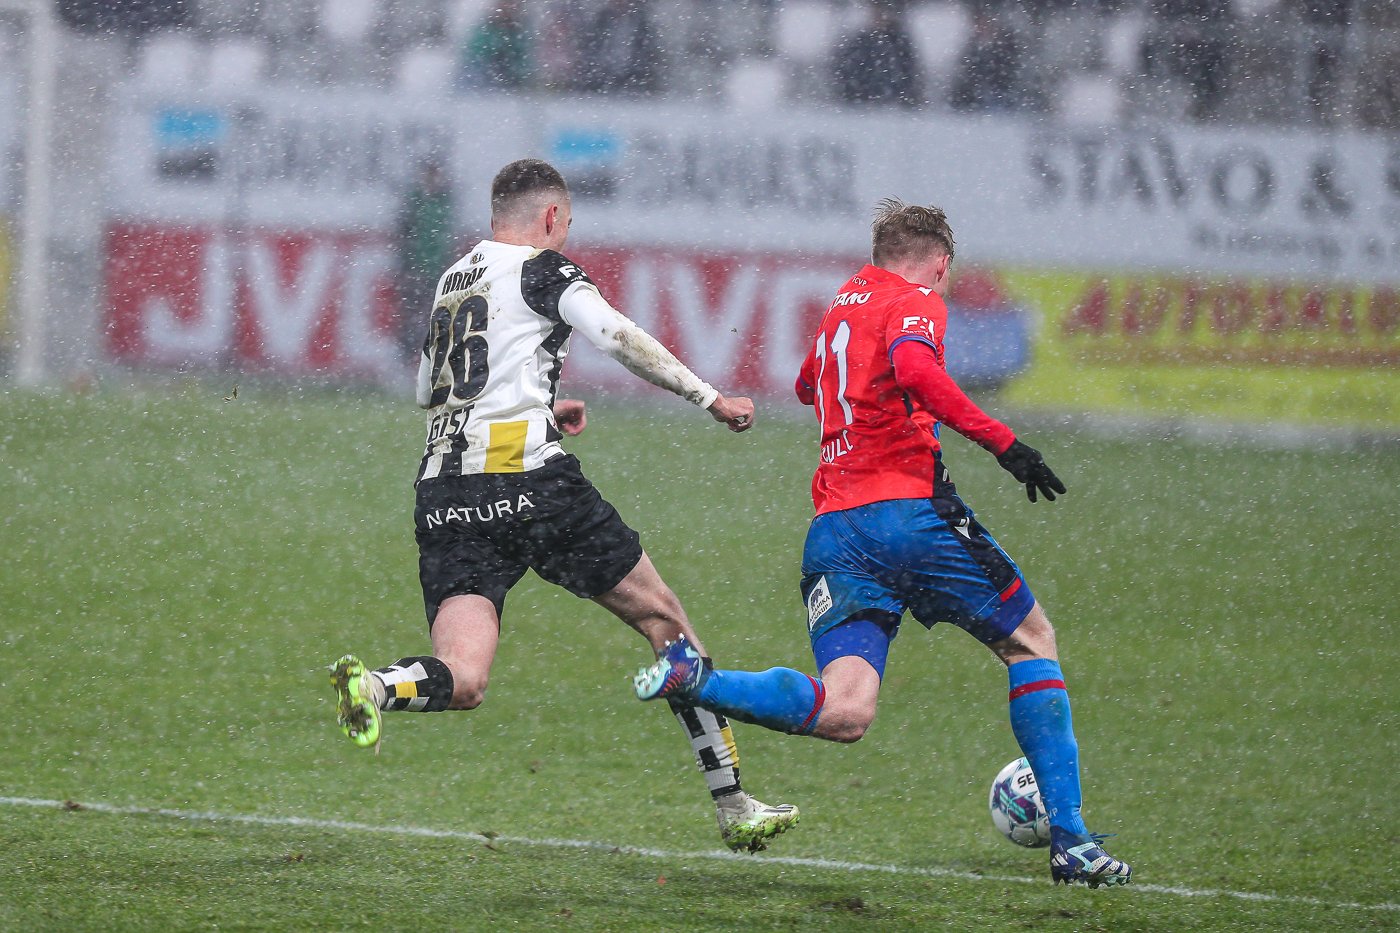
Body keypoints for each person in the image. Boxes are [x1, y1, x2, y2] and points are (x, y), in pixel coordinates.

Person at [634, 199, 1132, 887]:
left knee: (845, 709)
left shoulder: (843, 305)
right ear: (940, 262)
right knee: (1031, 641)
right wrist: (1005, 444)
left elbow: (808, 383)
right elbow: (917, 370)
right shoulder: (915, 299)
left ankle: (699, 681)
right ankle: (1072, 839)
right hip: (910, 514)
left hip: (836, 534)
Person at [330, 159, 799, 854]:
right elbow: (616, 336)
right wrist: (708, 396)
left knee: (465, 675)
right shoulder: (544, 270)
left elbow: (430, 389)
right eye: (567, 224)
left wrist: (541, 405)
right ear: (552, 217)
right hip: (530, 484)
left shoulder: (453, 278)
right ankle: (733, 803)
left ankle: (375, 686)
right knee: (665, 622)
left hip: (446, 494)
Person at [395, 159, 456, 364]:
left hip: (437, 269)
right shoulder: (416, 202)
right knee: (410, 315)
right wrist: (407, 267)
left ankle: (431, 358)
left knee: (436, 315)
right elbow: (404, 234)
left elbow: (446, 238)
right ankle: (405, 358)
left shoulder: (444, 202)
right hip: (416, 268)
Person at [830, 0, 924, 108]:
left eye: (884, 13)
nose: (880, 17)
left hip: (891, 104)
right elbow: (844, 70)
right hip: (860, 102)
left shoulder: (899, 42)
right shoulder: (860, 41)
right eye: (877, 13)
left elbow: (908, 74)